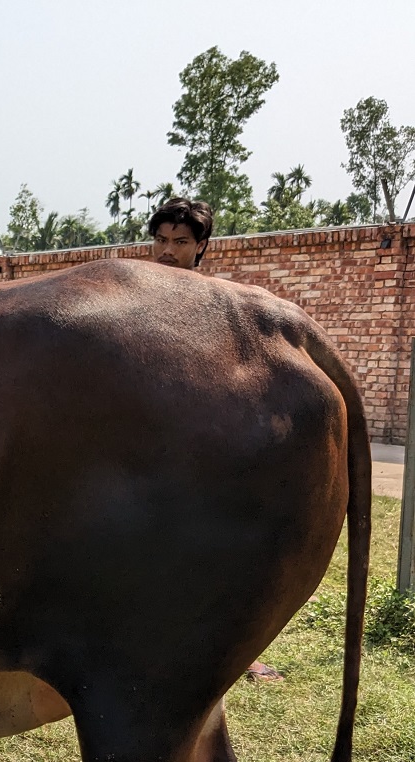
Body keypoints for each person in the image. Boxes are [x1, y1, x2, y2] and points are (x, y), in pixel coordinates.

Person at [147, 198, 285, 684]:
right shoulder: (139, 298)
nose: (167, 252)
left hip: (207, 443)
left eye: (180, 242)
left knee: (219, 551)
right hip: (150, 445)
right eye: (161, 240)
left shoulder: (216, 301)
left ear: (201, 246)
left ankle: (236, 651)